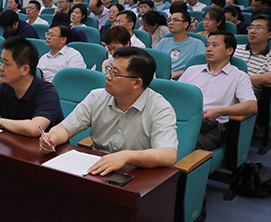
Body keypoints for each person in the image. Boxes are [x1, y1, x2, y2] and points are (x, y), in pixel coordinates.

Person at [39, 47, 178, 176]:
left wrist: (127, 156)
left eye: (115, 73)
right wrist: (52, 137)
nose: (107, 76)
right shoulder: (96, 97)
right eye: (109, 69)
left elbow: (168, 155)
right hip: (97, 171)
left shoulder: (160, 108)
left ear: (136, 83)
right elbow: (65, 129)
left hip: (137, 175)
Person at [179, 31, 257, 150]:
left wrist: (219, 111)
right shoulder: (192, 70)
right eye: (207, 45)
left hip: (210, 127)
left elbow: (252, 106)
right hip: (184, 122)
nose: (209, 49)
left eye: (215, 45)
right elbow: (177, 97)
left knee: (181, 145)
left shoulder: (239, 76)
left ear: (229, 50)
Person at [233, 15, 271, 98]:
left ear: (270, 34)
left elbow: (269, 77)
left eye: (258, 28)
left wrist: (235, 82)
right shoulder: (234, 49)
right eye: (251, 27)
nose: (252, 31)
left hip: (244, 97)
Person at [155, 8, 205, 79]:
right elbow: (152, 60)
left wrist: (176, 74)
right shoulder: (164, 41)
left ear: (185, 24)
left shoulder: (197, 44)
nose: (170, 23)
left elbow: (199, 67)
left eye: (175, 20)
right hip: (161, 78)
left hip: (183, 79)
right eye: (169, 20)